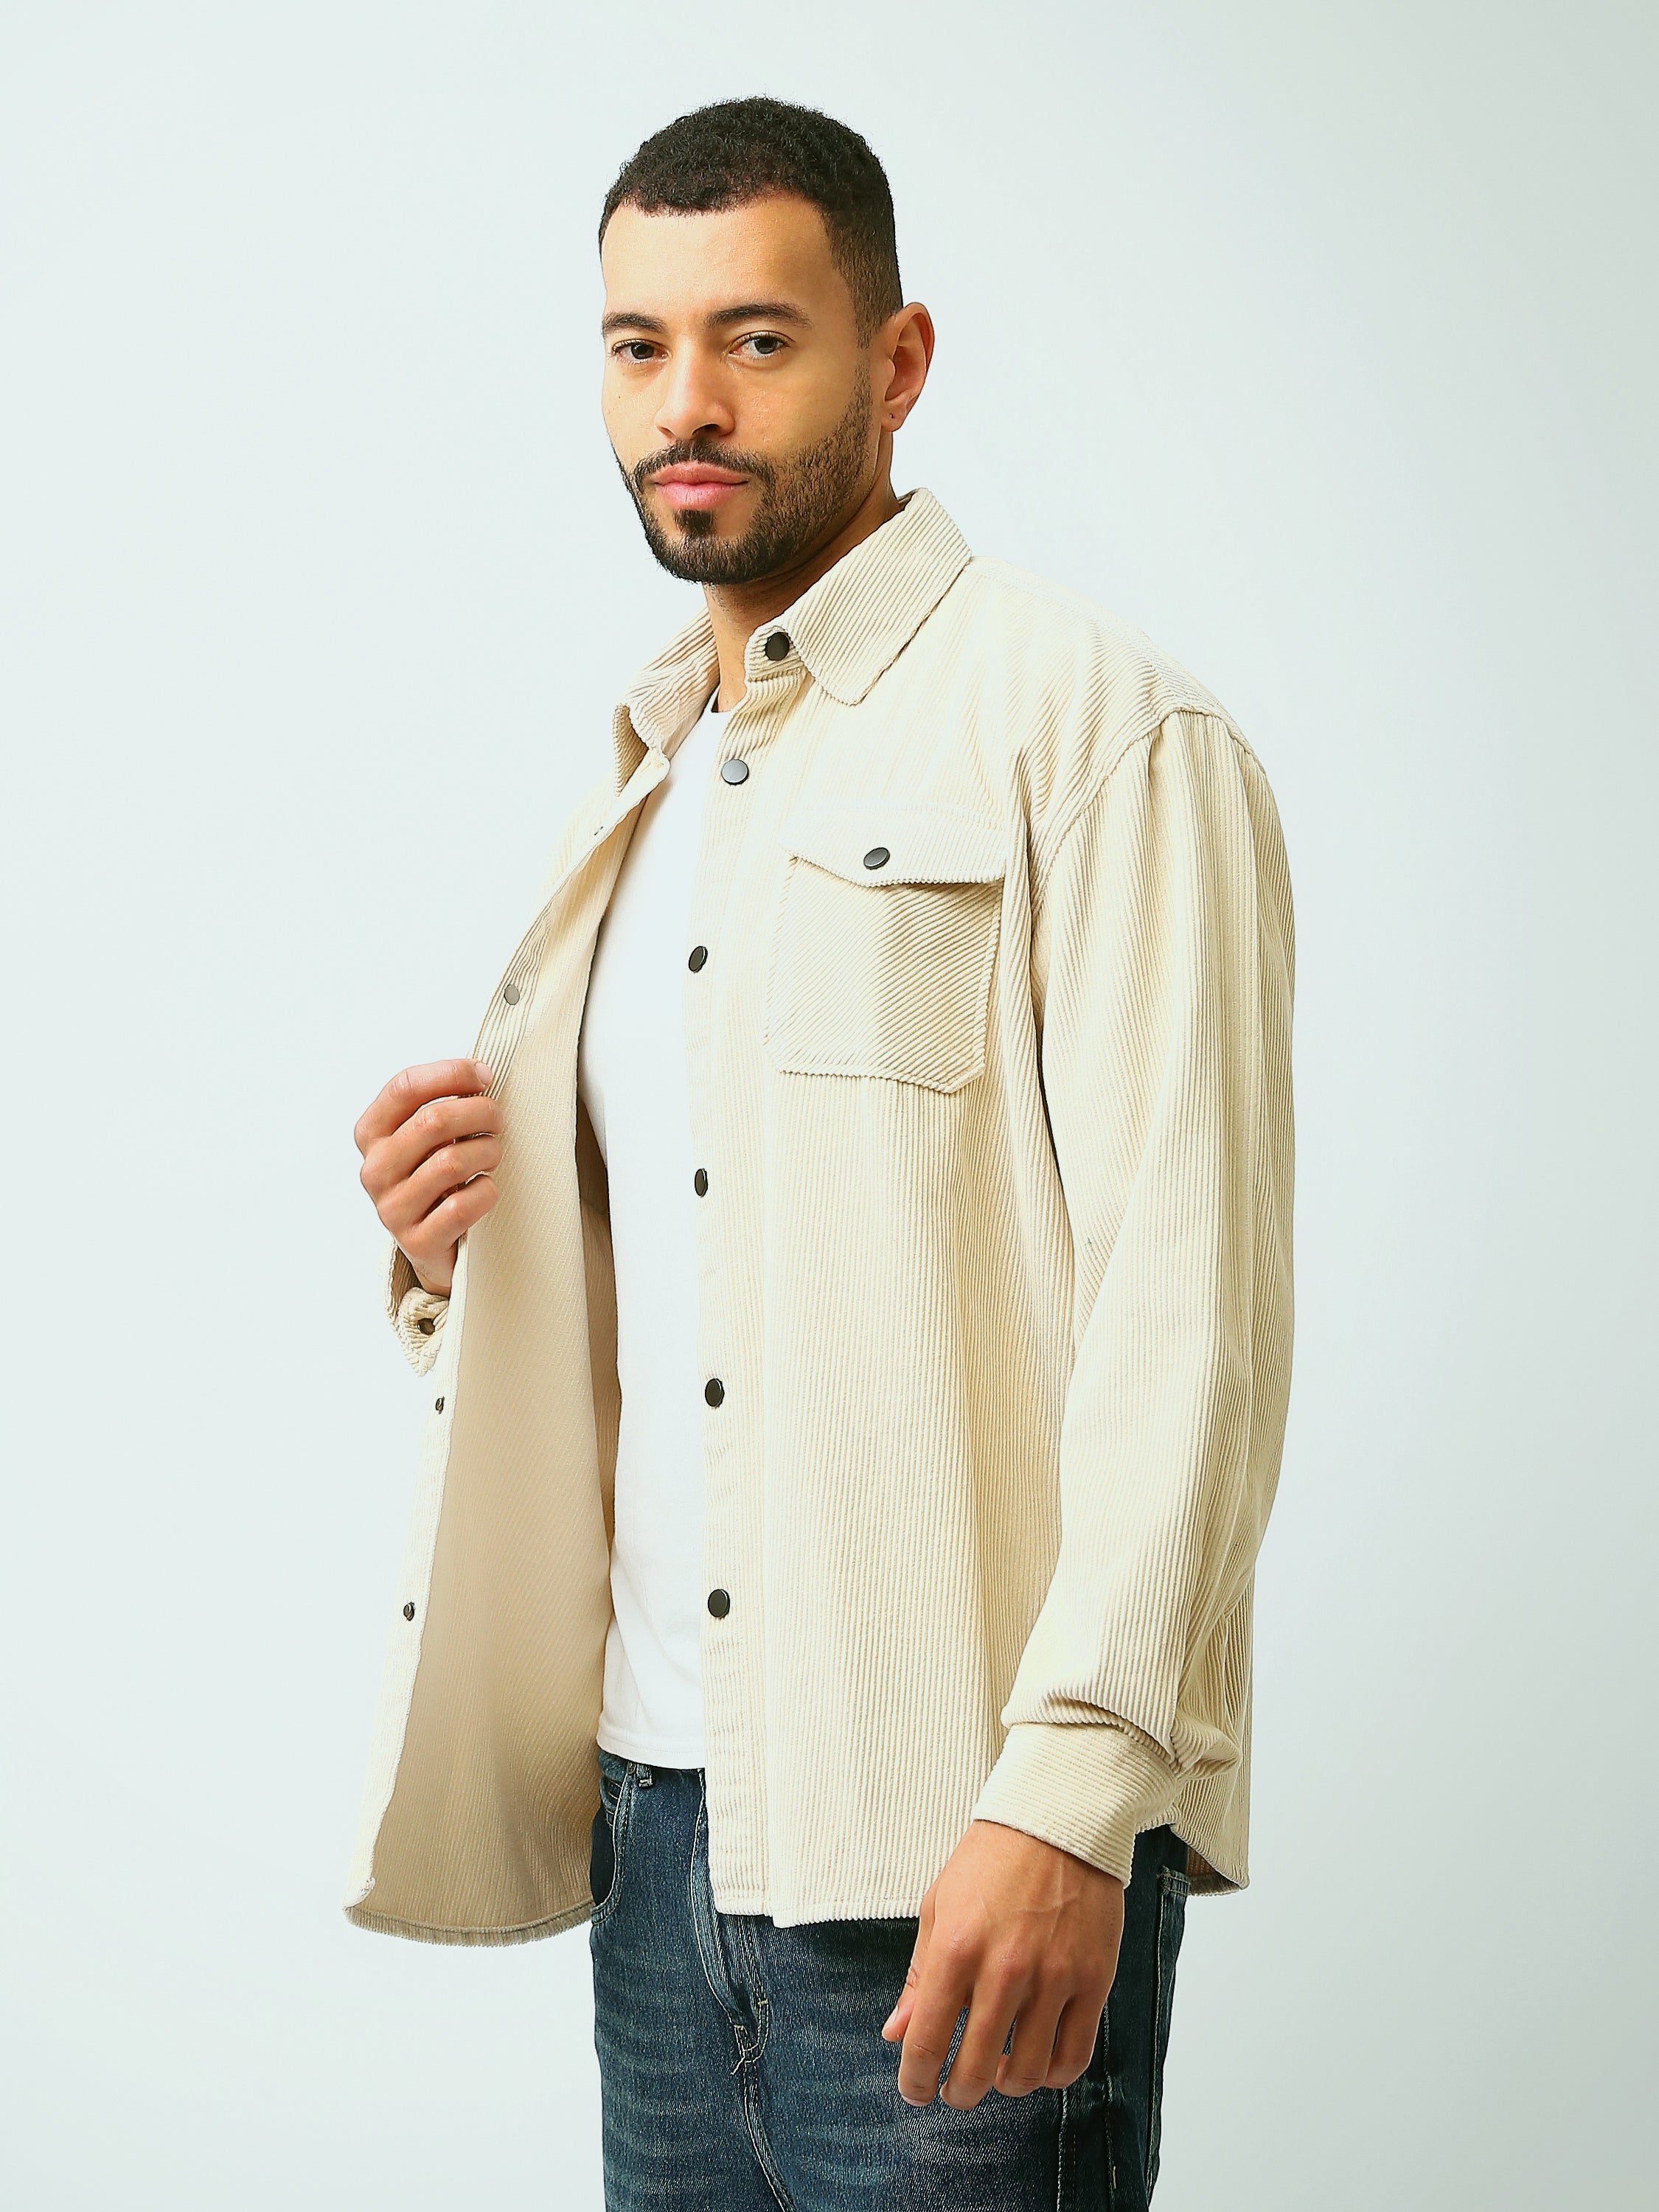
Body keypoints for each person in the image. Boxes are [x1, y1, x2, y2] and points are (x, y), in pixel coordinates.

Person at [348, 96, 1294, 2212]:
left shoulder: (1096, 729)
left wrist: (1068, 1803)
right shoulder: (649, 771)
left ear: (898, 359)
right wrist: (451, 1249)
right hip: (659, 1836)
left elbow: (1194, 1325)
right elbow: (708, 1281)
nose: (684, 404)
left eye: (755, 340)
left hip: (953, 1837)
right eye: (637, 344)